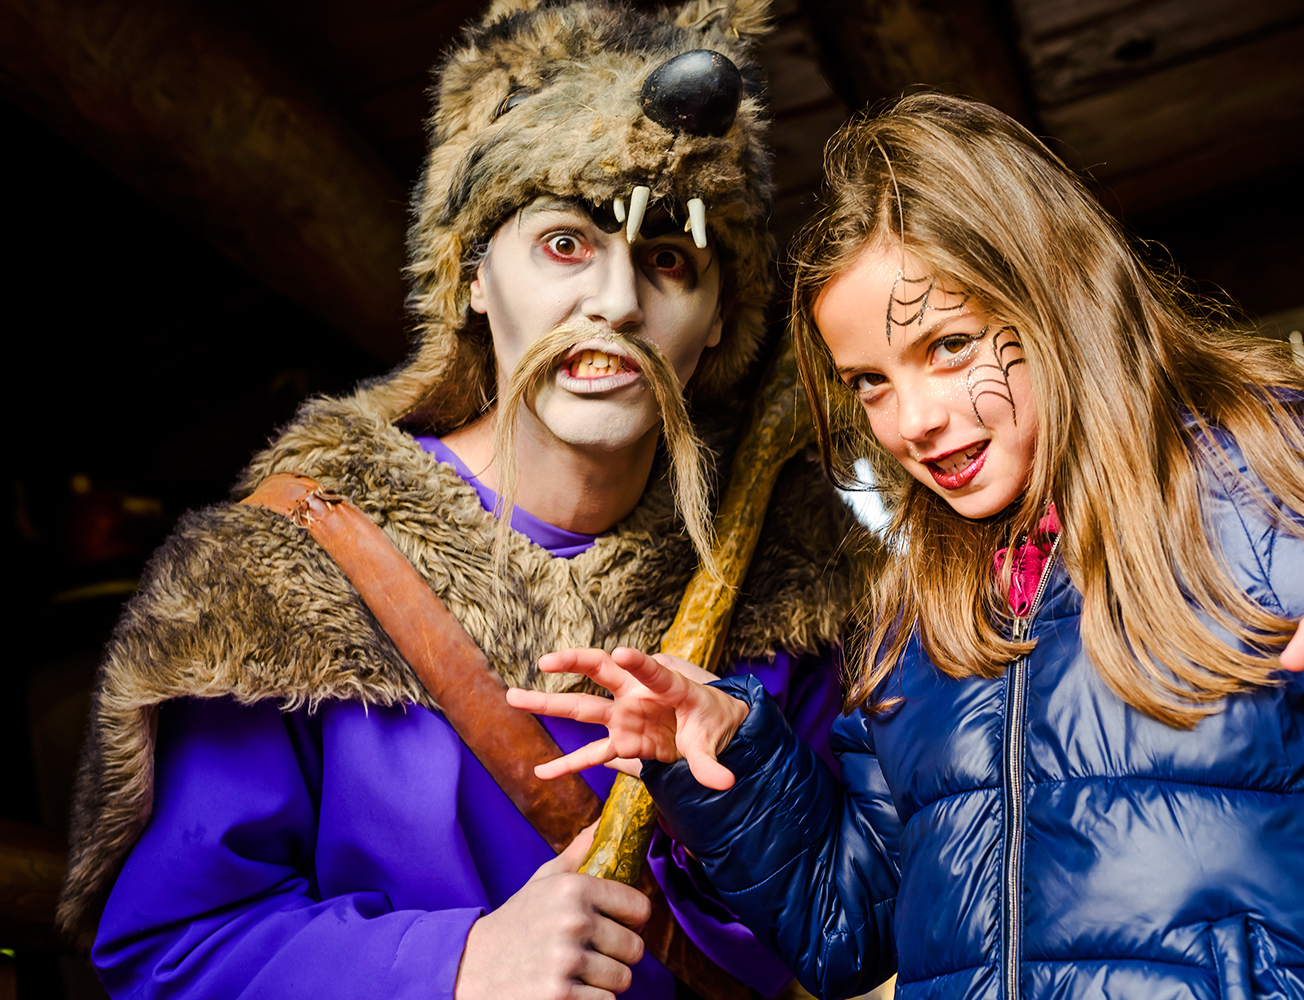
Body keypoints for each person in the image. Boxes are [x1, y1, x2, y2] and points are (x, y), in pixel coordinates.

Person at [513, 93, 1304, 1000]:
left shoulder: (1290, 492)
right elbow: (848, 928)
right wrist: (728, 760)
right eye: (871, 384)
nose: (915, 421)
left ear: (1059, 298)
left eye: (947, 347)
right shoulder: (918, 610)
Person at [57, 2, 869, 998]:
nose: (615, 303)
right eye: (564, 244)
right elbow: (170, 949)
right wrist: (453, 965)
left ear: (715, 327)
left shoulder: (794, 603)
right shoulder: (287, 574)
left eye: (669, 259)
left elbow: (846, 929)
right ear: (475, 280)